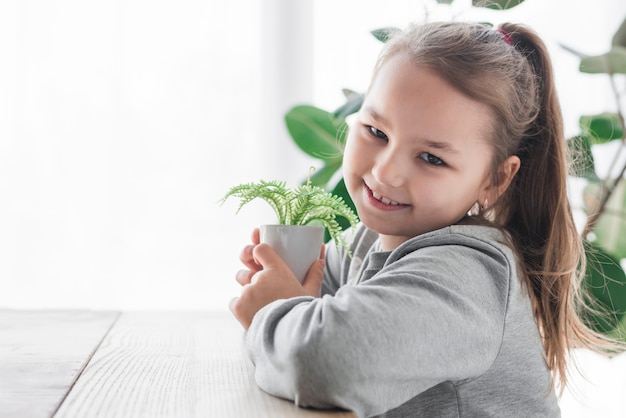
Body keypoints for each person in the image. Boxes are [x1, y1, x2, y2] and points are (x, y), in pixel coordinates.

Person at [229, 21, 618, 417]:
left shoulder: (469, 275)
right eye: (376, 131)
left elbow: (323, 365)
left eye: (432, 158)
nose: (385, 173)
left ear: (495, 180)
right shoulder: (368, 239)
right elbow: (311, 307)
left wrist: (270, 311)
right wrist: (283, 285)